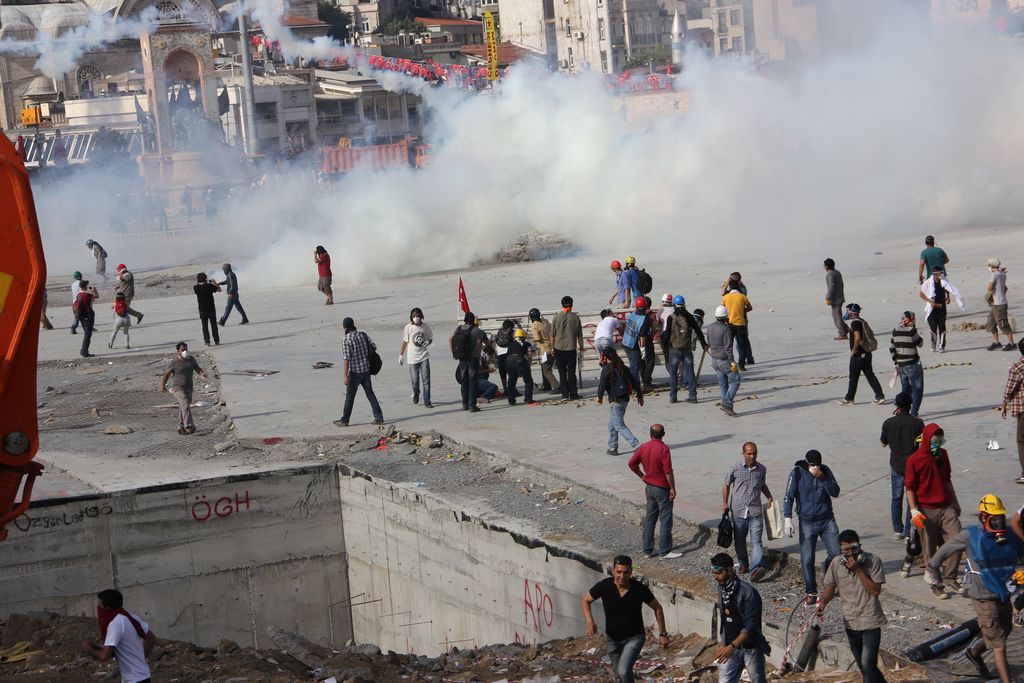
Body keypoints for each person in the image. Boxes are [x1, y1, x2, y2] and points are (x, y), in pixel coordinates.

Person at [925, 495, 1023, 683]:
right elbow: (945, 550)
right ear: (983, 518)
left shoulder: (1010, 536)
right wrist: (932, 570)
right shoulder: (970, 536)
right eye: (994, 520)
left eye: (1001, 518)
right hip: (983, 599)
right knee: (999, 645)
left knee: (1005, 631)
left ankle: (973, 652)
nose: (999, 523)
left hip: (1002, 595)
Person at [581, 555, 670, 683]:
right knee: (619, 676)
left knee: (624, 671)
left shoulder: (639, 589)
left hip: (634, 637)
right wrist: (590, 621)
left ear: (631, 572)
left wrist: (662, 634)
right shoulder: (605, 586)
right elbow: (585, 600)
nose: (622, 576)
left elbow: (658, 608)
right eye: (619, 572)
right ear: (613, 571)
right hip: (612, 640)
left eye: (626, 572)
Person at [817, 529, 887, 683]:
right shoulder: (836, 563)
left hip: (870, 620)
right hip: (850, 621)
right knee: (864, 667)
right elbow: (829, 588)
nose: (850, 554)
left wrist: (858, 570)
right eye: (846, 550)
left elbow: (875, 591)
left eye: (853, 549)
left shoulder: (873, 561)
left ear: (860, 546)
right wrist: (822, 604)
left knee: (868, 663)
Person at [904, 422, 964, 598]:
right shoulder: (914, 460)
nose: (936, 444)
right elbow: (910, 487)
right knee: (929, 549)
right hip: (925, 509)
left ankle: (950, 577)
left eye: (939, 441)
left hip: (946, 506)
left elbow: (947, 480)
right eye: (933, 440)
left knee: (957, 540)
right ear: (926, 440)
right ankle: (936, 583)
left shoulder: (943, 456)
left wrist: (956, 501)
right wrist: (914, 510)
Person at [783, 449, 841, 601]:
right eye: (813, 465)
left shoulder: (825, 471)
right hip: (807, 521)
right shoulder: (797, 473)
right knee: (807, 558)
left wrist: (822, 478)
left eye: (818, 465)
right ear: (807, 464)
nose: (816, 468)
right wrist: (787, 519)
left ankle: (829, 577)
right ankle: (811, 591)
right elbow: (788, 496)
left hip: (827, 519)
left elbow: (835, 491)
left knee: (836, 554)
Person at [711, 553, 770, 683]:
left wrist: (731, 647)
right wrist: (724, 642)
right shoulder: (722, 589)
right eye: (714, 573)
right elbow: (726, 619)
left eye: (719, 572)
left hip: (750, 649)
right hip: (731, 648)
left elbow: (750, 626)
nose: (716, 577)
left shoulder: (748, 593)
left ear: (730, 570)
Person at [79, 588, 156, 683]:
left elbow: (104, 656)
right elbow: (151, 638)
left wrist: (88, 649)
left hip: (134, 680)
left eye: (100, 604)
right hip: (142, 676)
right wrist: (140, 658)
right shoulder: (130, 617)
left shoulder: (115, 623)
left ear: (108, 608)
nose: (98, 607)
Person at [723, 442, 774, 582]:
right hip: (738, 511)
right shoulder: (735, 468)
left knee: (756, 541)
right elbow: (726, 484)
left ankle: (755, 569)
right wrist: (725, 503)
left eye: (754, 453)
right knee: (740, 542)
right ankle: (743, 563)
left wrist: (769, 496)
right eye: (749, 453)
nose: (752, 456)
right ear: (743, 453)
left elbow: (762, 485)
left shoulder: (761, 469)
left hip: (755, 511)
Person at [628, 424, 681, 559]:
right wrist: (673, 488)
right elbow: (668, 471)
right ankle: (665, 551)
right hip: (662, 488)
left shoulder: (643, 447)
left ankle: (647, 550)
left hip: (649, 487)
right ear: (663, 434)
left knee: (650, 519)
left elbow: (632, 464)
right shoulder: (663, 449)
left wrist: (643, 477)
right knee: (665, 520)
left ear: (650, 434)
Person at [880, 392, 924, 541]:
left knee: (896, 498)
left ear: (896, 406)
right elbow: (921, 444)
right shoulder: (918, 423)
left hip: (896, 465)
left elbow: (883, 443)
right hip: (912, 466)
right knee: (911, 499)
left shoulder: (888, 423)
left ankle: (897, 529)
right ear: (910, 405)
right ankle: (907, 531)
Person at [335, 317, 384, 427]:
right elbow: (374, 346)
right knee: (370, 394)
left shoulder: (346, 339)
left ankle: (344, 421)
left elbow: (347, 359)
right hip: (366, 370)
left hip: (355, 372)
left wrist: (344, 376)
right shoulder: (363, 335)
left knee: (350, 397)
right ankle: (379, 418)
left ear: (344, 327)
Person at [597, 349, 643, 455]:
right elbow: (634, 381)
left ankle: (636, 444)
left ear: (605, 357)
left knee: (618, 424)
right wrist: (640, 396)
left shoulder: (606, 369)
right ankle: (613, 447)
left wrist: (599, 397)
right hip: (625, 399)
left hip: (615, 401)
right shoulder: (623, 367)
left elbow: (602, 385)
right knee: (612, 424)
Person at [838, 303, 885, 406]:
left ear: (851, 312)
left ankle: (849, 399)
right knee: (870, 376)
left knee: (853, 378)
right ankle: (880, 396)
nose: (847, 313)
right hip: (867, 354)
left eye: (848, 311)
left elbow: (857, 337)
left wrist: (854, 350)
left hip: (858, 355)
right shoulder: (862, 321)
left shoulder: (855, 323)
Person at [666, 295, 707, 404]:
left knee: (673, 373)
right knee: (690, 371)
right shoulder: (689, 316)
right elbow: (698, 330)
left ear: (674, 304)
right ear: (684, 304)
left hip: (674, 347)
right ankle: (692, 396)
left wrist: (666, 347)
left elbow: (666, 334)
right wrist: (703, 343)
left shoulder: (671, 317)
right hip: (686, 347)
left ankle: (673, 396)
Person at [160, 341, 207, 435]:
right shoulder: (174, 362)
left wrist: (202, 373)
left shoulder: (191, 359)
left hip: (189, 387)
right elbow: (166, 374)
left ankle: (180, 427)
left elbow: (196, 367)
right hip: (178, 388)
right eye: (182, 349)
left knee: (184, 407)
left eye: (186, 349)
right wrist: (163, 386)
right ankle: (189, 425)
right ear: (178, 351)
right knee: (185, 404)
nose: (185, 351)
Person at [889, 311, 924, 416]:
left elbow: (892, 348)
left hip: (901, 365)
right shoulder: (911, 331)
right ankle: (913, 413)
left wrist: (896, 360)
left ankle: (903, 410)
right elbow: (920, 343)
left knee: (905, 389)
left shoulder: (895, 330)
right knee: (917, 389)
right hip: (913, 364)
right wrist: (914, 329)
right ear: (910, 320)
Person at [708, 305, 740, 416]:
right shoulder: (725, 329)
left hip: (714, 359)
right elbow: (728, 347)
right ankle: (727, 403)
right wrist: (732, 362)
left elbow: (709, 342)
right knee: (736, 380)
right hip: (724, 360)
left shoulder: (710, 327)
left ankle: (726, 403)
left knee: (723, 384)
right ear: (726, 317)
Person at [551, 295, 584, 400]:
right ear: (572, 305)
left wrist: (552, 348)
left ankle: (565, 394)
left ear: (562, 305)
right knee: (571, 372)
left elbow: (552, 335)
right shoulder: (575, 318)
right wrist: (582, 347)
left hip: (559, 348)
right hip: (571, 348)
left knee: (562, 372)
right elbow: (580, 336)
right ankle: (573, 393)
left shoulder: (556, 317)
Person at [451, 312, 485, 412]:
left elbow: (450, 339)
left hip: (462, 359)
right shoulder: (476, 330)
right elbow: (479, 343)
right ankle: (472, 405)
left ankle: (464, 404)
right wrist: (478, 356)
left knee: (464, 382)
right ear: (473, 320)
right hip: (472, 359)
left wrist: (454, 353)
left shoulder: (459, 328)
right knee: (472, 382)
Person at [1001, 339, 1024, 484]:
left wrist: (1004, 404)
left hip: (1023, 408)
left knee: (1021, 440)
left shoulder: (1017, 367)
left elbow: (1010, 388)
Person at [400, 307, 433, 408]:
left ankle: (427, 401)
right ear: (411, 317)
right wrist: (401, 355)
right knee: (415, 381)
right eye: (414, 316)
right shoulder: (408, 328)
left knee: (426, 380)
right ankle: (416, 392)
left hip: (424, 357)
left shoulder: (425, 327)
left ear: (421, 316)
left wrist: (428, 342)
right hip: (412, 358)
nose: (416, 318)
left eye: (418, 316)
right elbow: (405, 342)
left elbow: (430, 338)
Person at [919, 266, 955, 353]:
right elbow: (921, 294)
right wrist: (929, 301)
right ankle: (933, 343)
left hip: (942, 307)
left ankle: (942, 346)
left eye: (941, 273)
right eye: (938, 274)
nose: (940, 276)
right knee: (933, 327)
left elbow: (948, 287)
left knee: (942, 327)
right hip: (932, 309)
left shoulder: (944, 280)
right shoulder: (928, 282)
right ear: (934, 274)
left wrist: (948, 297)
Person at [986, 258, 1015, 351]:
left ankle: (1011, 343)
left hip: (1000, 304)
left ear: (991, 266)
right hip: (995, 304)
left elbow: (989, 288)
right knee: (991, 323)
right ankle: (996, 343)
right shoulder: (1002, 273)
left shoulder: (994, 275)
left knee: (1003, 324)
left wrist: (990, 282)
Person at [621, 297, 651, 386]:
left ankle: (634, 385)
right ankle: (634, 387)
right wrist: (642, 349)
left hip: (625, 342)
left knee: (635, 364)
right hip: (631, 345)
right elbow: (642, 335)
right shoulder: (644, 319)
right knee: (634, 366)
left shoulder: (632, 314)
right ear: (646, 306)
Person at [722, 284, 754, 369]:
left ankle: (730, 364)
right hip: (740, 324)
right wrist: (742, 312)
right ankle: (741, 365)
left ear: (730, 289)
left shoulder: (726, 297)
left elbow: (723, 310)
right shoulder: (742, 296)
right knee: (741, 346)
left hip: (729, 324)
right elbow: (750, 308)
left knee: (729, 346)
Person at [529, 308, 559, 393]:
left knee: (546, 370)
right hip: (553, 347)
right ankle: (547, 385)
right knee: (544, 368)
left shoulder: (534, 325)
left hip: (545, 350)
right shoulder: (545, 321)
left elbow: (537, 338)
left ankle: (556, 386)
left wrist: (532, 340)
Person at [504, 328, 536, 406]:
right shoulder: (526, 343)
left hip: (508, 362)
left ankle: (511, 400)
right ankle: (528, 399)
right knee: (528, 380)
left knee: (511, 381)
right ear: (524, 336)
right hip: (519, 360)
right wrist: (528, 366)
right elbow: (529, 355)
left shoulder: (511, 343)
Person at [192, 273, 221, 346]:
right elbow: (219, 290)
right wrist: (214, 282)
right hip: (211, 308)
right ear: (205, 279)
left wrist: (200, 282)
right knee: (214, 325)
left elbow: (198, 285)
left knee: (204, 326)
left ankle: (207, 341)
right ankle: (216, 340)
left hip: (202, 309)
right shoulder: (210, 286)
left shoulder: (196, 287)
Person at [824, 258, 849, 340]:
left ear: (827, 267)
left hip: (835, 299)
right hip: (840, 297)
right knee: (838, 315)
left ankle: (843, 333)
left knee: (836, 316)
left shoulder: (830, 274)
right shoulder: (837, 272)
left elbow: (832, 286)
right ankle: (845, 328)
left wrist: (828, 297)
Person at [74, 280, 99, 358]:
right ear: (85, 286)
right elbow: (97, 296)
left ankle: (83, 350)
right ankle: (85, 352)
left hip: (81, 316)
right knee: (88, 335)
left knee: (86, 333)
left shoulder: (78, 295)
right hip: (87, 316)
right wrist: (95, 291)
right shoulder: (87, 295)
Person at [492, 319, 516, 395]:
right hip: (508, 352)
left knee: (502, 372)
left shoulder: (500, 331)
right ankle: (512, 388)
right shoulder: (512, 331)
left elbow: (496, 340)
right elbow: (514, 341)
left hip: (500, 352)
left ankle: (505, 389)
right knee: (511, 371)